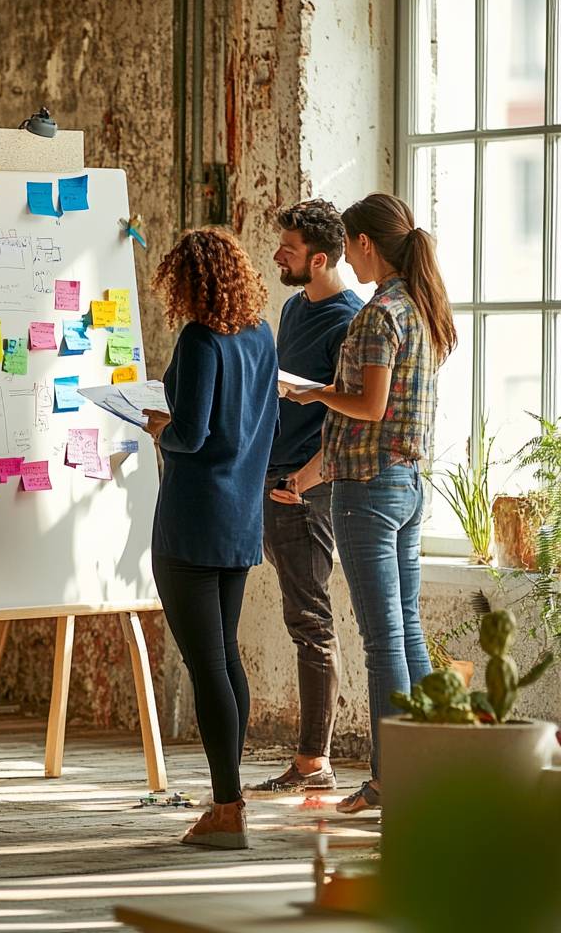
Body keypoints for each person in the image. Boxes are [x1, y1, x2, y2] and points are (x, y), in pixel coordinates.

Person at [285, 193, 456, 814]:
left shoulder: (380, 312)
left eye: (352, 248)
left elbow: (370, 406)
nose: (352, 264)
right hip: (408, 485)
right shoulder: (422, 307)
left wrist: (317, 395)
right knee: (406, 632)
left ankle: (389, 779)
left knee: (383, 641)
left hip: (369, 491)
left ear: (362, 243)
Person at [142, 226, 279, 850]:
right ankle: (233, 793)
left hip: (193, 522)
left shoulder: (200, 340)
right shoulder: (260, 337)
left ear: (188, 281)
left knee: (207, 666)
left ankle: (227, 809)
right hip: (241, 518)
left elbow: (189, 435)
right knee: (224, 655)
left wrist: (155, 427)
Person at [244, 200, 363, 796]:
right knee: (301, 616)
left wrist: (303, 482)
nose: (277, 257)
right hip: (273, 475)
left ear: (319, 259)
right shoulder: (293, 308)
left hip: (307, 487)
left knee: (311, 620)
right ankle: (310, 759)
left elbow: (352, 421)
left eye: (287, 251)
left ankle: (313, 761)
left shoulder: (350, 321)